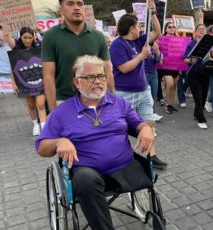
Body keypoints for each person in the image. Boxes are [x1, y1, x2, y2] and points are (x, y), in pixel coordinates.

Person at [36, 55, 154, 230]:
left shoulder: (118, 103)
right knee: (85, 180)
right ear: (77, 82)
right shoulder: (62, 112)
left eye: (101, 76)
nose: (98, 81)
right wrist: (58, 142)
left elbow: (137, 124)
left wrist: (145, 128)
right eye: (91, 77)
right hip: (87, 171)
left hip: (124, 166)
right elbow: (41, 147)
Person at [109, 3, 167, 169]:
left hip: (143, 91)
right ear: (130, 28)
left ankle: (152, 155)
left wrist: (153, 12)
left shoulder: (141, 40)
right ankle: (123, 157)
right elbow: (124, 68)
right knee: (122, 127)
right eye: (137, 26)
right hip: (124, 93)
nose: (140, 28)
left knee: (148, 124)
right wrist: (141, 56)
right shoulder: (117, 45)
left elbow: (157, 31)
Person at [42, 0, 114, 111]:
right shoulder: (50, 36)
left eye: (80, 4)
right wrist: (53, 111)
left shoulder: (98, 37)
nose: (76, 8)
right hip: (64, 102)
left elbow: (107, 72)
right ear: (61, 10)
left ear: (84, 9)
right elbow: (48, 75)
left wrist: (113, 102)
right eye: (70, 4)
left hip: (96, 100)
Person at [5, 27, 47, 135]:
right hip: (24, 82)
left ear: (34, 37)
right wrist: (13, 83)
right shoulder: (16, 49)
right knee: (31, 105)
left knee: (41, 104)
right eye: (25, 37)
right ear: (20, 37)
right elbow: (13, 68)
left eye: (30, 37)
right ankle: (35, 125)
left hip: (40, 81)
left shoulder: (40, 47)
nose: (28, 40)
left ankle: (44, 126)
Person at [183, 24, 212, 129]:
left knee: (203, 95)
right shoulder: (191, 44)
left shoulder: (208, 45)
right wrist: (191, 60)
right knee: (198, 97)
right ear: (195, 32)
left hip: (205, 72)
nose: (202, 31)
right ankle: (201, 120)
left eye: (204, 29)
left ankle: (197, 113)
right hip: (193, 73)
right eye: (199, 29)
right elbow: (185, 59)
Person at [158, 22, 180, 113]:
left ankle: (171, 104)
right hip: (166, 65)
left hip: (176, 65)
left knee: (174, 86)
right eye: (170, 27)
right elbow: (158, 50)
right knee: (169, 84)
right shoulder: (161, 39)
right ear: (166, 29)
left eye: (173, 27)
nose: (172, 28)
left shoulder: (178, 39)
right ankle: (167, 105)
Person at [144, 39, 163, 122]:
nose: (157, 41)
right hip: (145, 74)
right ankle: (147, 114)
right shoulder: (145, 47)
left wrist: (157, 50)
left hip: (154, 74)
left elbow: (159, 61)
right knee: (146, 95)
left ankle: (154, 112)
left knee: (153, 94)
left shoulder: (155, 48)